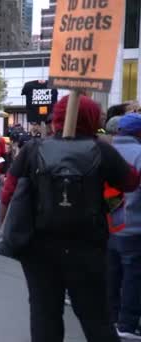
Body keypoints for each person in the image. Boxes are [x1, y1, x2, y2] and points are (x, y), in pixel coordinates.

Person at [0, 95, 140, 342]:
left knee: (44, 315)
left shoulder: (33, 148)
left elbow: (8, 191)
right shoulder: (101, 149)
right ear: (91, 119)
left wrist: (4, 225)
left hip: (38, 248)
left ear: (58, 117)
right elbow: (130, 182)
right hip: (88, 246)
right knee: (96, 317)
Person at [108, 113, 141, 339]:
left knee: (112, 273)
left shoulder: (102, 151)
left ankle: (110, 317)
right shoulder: (139, 154)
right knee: (133, 276)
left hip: (107, 224)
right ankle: (127, 324)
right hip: (133, 225)